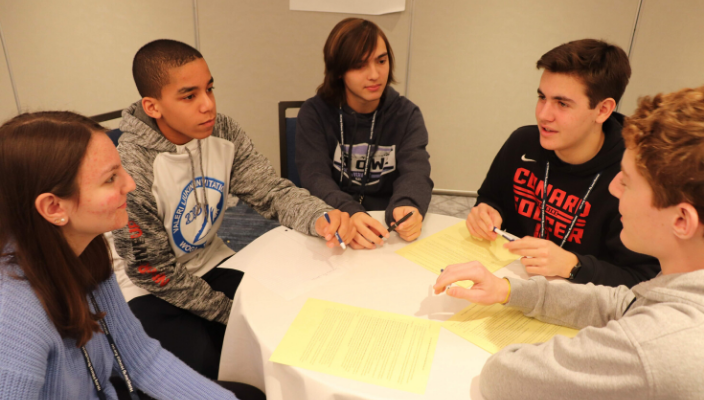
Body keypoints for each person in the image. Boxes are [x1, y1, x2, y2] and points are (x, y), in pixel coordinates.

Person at [436, 86, 704, 399]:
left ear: (682, 221)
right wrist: (509, 290)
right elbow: (626, 302)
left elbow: (501, 378)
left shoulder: (654, 346)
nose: (614, 188)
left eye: (627, 182)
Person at [110, 39, 353, 381]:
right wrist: (230, 312)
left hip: (211, 260)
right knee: (208, 367)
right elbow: (152, 270)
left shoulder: (222, 131)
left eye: (210, 89)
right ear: (153, 107)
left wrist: (318, 216)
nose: (208, 105)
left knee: (289, 325)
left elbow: (270, 190)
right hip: (149, 286)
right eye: (189, 96)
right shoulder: (132, 166)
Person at [0, 112, 244, 399]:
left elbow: (142, 359)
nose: (130, 184)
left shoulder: (86, 248)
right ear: (54, 208)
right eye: (110, 178)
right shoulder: (13, 316)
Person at [466, 39, 659, 287]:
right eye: (541, 97)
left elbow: (642, 279)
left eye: (562, 103)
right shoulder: (522, 142)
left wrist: (573, 266)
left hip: (582, 304)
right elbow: (490, 198)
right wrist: (485, 212)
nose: (543, 114)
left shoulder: (633, 175)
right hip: (507, 284)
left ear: (602, 110)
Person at [295, 18, 433, 250]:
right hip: (333, 221)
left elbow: (416, 171)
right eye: (359, 66)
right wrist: (349, 212)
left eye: (381, 61)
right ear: (338, 71)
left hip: (386, 230)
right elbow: (315, 177)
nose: (375, 74)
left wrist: (407, 205)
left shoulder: (406, 114)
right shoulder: (315, 113)